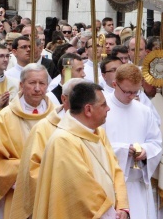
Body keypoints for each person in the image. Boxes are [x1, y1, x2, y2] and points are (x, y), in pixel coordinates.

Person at [32, 82, 130, 219]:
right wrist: (110, 214)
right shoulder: (63, 140)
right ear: (88, 110)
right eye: (103, 105)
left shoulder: (99, 134)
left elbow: (116, 170)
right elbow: (80, 188)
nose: (108, 109)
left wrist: (122, 206)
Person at [0, 63, 53, 219]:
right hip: (15, 193)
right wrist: (33, 171)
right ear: (21, 85)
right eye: (32, 83)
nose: (37, 88)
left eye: (41, 83)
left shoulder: (55, 116)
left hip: (50, 192)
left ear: (47, 86)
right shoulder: (6, 117)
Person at [10, 78, 87, 219]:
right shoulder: (44, 128)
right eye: (78, 98)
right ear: (64, 99)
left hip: (88, 200)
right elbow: (33, 168)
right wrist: (64, 185)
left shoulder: (95, 129)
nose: (83, 104)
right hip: (57, 198)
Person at [104, 64, 162, 219]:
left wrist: (146, 152)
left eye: (136, 91)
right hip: (111, 186)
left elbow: (156, 142)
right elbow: (96, 146)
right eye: (127, 91)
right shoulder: (103, 109)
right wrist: (123, 150)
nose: (132, 96)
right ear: (115, 84)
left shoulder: (144, 111)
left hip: (139, 184)